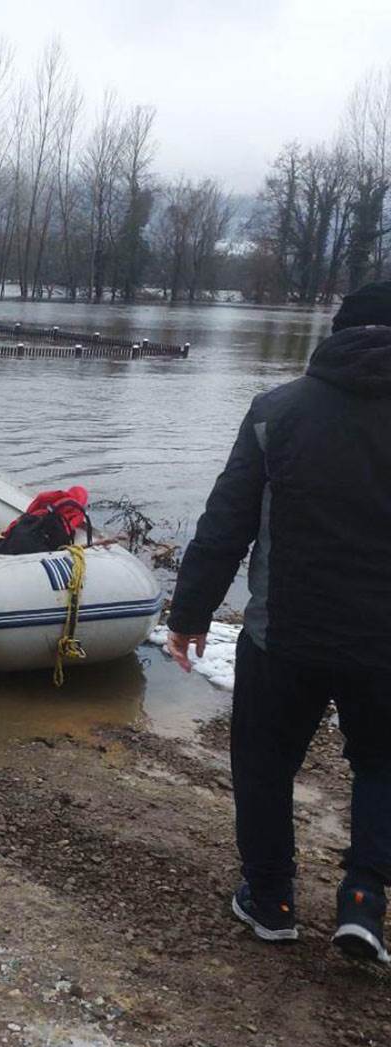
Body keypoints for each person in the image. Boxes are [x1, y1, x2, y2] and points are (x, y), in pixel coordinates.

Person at [167, 279, 391, 965]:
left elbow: (226, 522)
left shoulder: (278, 411)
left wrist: (190, 613)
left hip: (284, 634)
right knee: (382, 766)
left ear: (335, 333)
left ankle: (271, 900)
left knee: (265, 763)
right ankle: (363, 902)